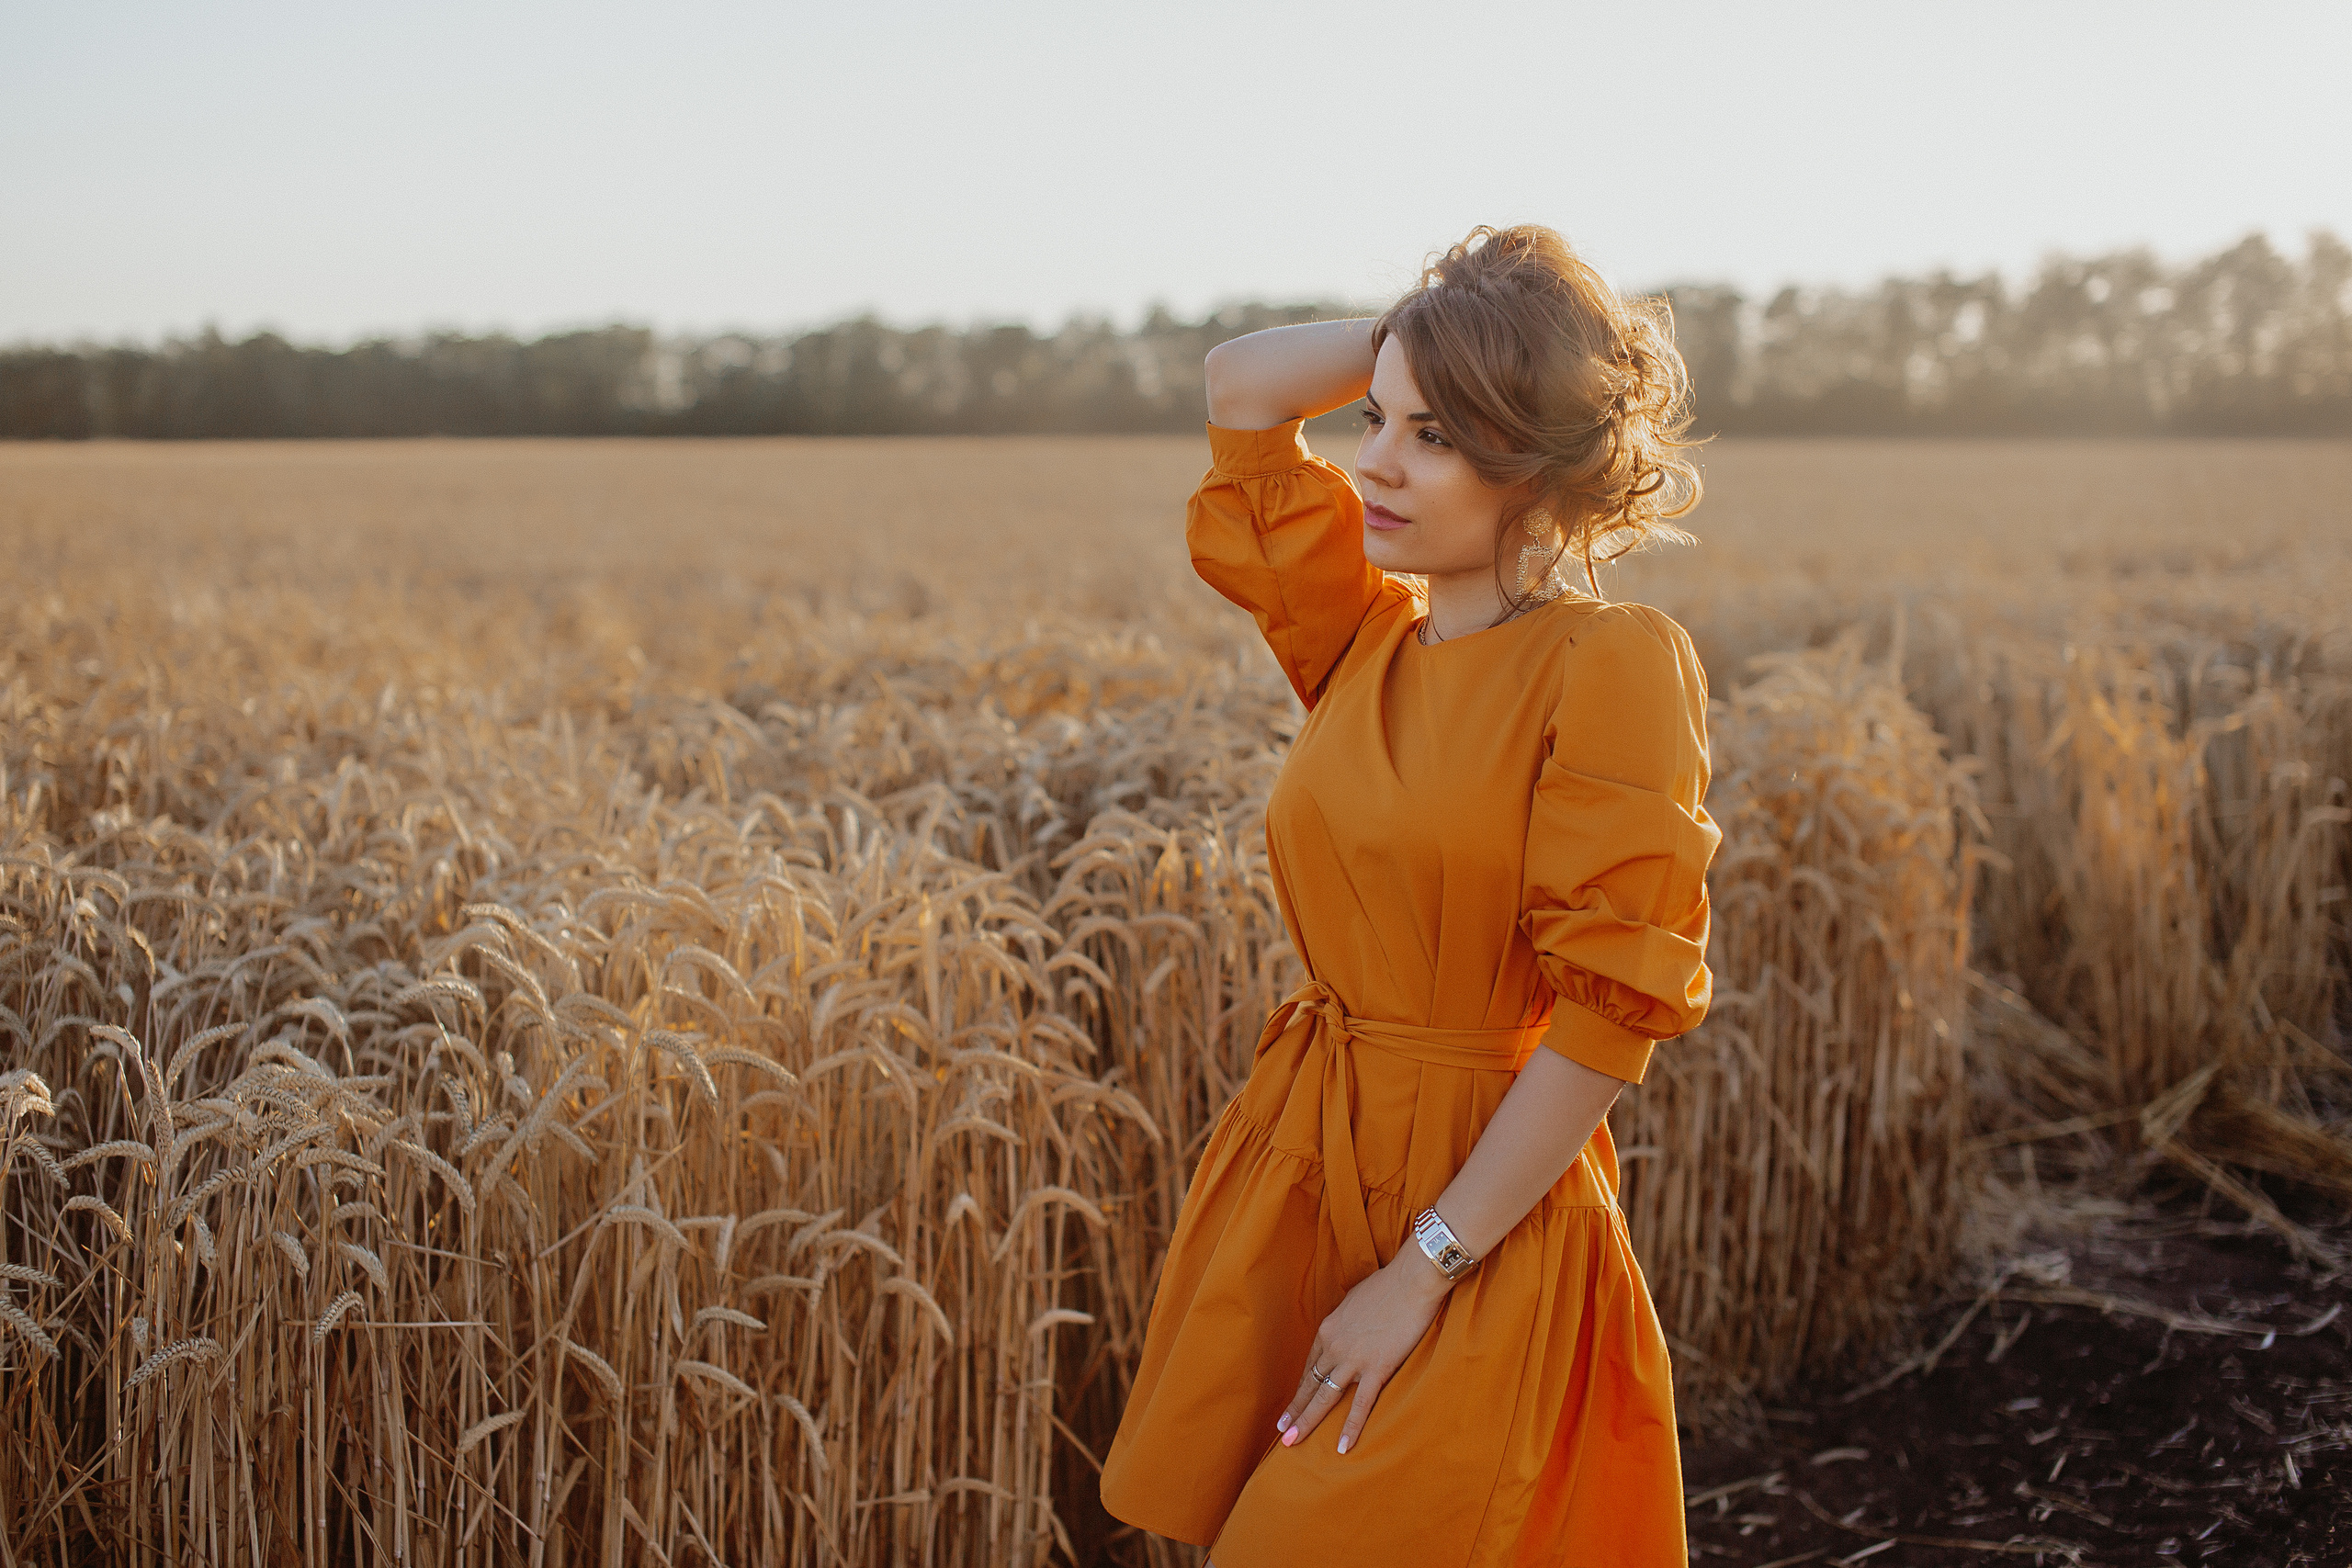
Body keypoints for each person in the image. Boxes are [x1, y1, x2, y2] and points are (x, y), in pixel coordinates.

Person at [1096, 226, 1722, 1568]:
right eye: (1378, 416)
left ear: (1537, 469)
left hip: (1479, 1209)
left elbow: (1610, 1016)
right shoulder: (1361, 633)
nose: (1374, 459)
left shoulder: (1610, 663)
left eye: (1434, 437)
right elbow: (1244, 385)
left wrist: (1421, 1271)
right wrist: (1440, 321)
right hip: (1305, 1164)